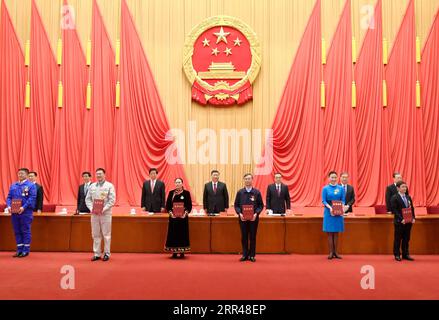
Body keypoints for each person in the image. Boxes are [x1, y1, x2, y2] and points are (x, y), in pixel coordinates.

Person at [85, 168, 116, 262]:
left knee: (106, 234)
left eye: (100, 174)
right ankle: (97, 253)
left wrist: (104, 209)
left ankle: (107, 253)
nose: (98, 175)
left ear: (104, 175)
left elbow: (112, 200)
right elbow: (88, 199)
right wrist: (91, 209)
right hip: (94, 214)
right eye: (97, 174)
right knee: (95, 234)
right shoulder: (92, 186)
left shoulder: (109, 186)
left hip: (105, 214)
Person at [6, 168, 37, 258]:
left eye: (22, 173)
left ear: (27, 175)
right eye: (19, 173)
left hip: (25, 212)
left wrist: (23, 207)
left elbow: (32, 198)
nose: (20, 175)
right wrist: (8, 206)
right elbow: (9, 197)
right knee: (17, 231)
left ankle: (25, 250)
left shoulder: (31, 186)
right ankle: (19, 250)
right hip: (15, 212)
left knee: (25, 231)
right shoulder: (13, 185)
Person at [234, 173, 264, 262]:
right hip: (242, 218)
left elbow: (260, 205)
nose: (247, 180)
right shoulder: (240, 192)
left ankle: (252, 255)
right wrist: (239, 213)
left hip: (253, 219)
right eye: (246, 179)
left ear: (252, 180)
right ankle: (244, 254)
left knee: (252, 237)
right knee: (244, 237)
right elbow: (236, 205)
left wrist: (256, 214)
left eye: (249, 179)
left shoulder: (256, 192)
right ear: (244, 180)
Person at [322, 171, 349, 260]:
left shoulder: (340, 188)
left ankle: (336, 252)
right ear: (329, 178)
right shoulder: (325, 188)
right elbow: (324, 201)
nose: (333, 179)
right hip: (329, 211)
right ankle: (330, 252)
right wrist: (330, 208)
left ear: (337, 178)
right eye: (332, 177)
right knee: (329, 232)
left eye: (335, 177)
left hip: (338, 211)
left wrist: (342, 206)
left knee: (336, 232)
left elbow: (343, 200)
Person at [165, 178, 192, 258]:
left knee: (182, 234)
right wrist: (170, 213)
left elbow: (189, 205)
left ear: (182, 183)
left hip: (183, 218)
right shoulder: (171, 193)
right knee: (173, 235)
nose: (177, 184)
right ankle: (174, 252)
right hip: (173, 218)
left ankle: (182, 252)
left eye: (179, 182)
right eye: (176, 182)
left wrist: (185, 213)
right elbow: (168, 205)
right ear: (174, 184)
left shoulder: (186, 193)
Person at [391, 181, 415, 262]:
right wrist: (402, 219)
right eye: (403, 187)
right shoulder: (394, 197)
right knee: (398, 239)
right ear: (398, 188)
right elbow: (394, 210)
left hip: (408, 222)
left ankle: (405, 254)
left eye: (405, 187)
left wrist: (413, 217)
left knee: (406, 238)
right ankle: (397, 254)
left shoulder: (408, 197)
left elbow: (412, 208)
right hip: (399, 222)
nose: (405, 188)